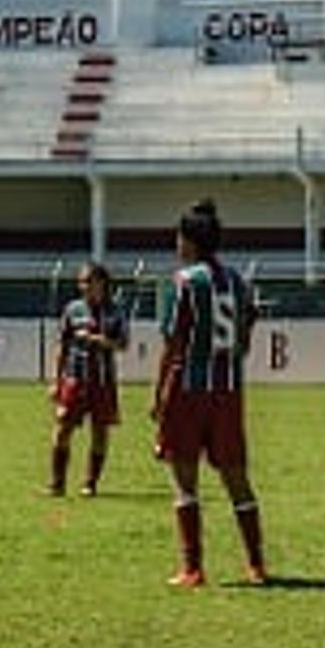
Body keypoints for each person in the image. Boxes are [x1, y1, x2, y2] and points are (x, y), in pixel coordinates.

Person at [150, 200, 265, 588]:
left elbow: (173, 343)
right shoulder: (237, 281)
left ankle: (192, 569)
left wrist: (158, 394)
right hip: (229, 392)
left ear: (190, 241)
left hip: (189, 389)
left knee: (185, 479)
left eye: (178, 238)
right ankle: (256, 565)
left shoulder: (185, 282)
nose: (176, 245)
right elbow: (245, 342)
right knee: (237, 479)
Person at [45, 261, 128, 497]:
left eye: (90, 281)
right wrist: (56, 380)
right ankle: (57, 483)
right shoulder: (73, 309)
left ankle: (90, 483)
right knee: (62, 428)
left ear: (103, 283)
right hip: (75, 379)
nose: (85, 286)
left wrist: (99, 340)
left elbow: (123, 344)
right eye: (82, 282)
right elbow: (61, 345)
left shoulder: (115, 311)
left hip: (103, 381)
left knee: (100, 432)